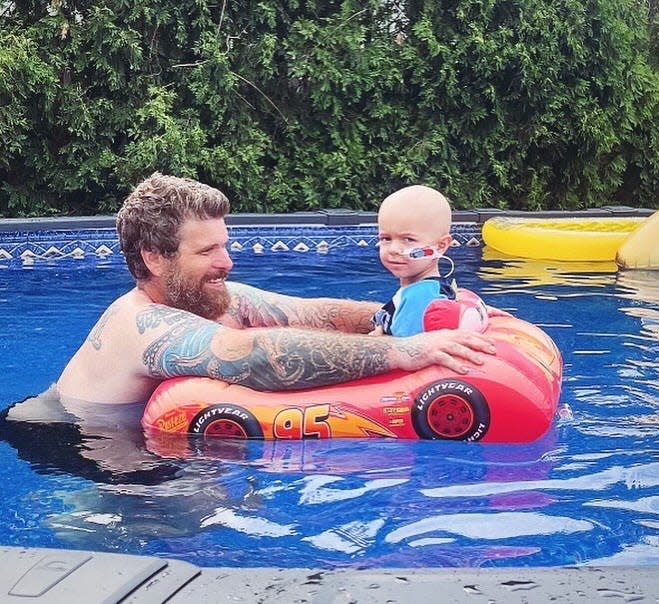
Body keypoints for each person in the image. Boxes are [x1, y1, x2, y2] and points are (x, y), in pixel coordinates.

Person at [50, 173, 496, 409]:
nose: (227, 262)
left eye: (225, 245)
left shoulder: (210, 294)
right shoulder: (141, 324)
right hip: (87, 461)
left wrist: (415, 315)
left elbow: (312, 312)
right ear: (154, 258)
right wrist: (406, 352)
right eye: (207, 251)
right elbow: (257, 354)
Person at [371, 185, 487, 337]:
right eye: (386, 238)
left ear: (440, 246)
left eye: (408, 239)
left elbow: (403, 351)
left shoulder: (419, 298)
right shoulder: (430, 289)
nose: (393, 249)